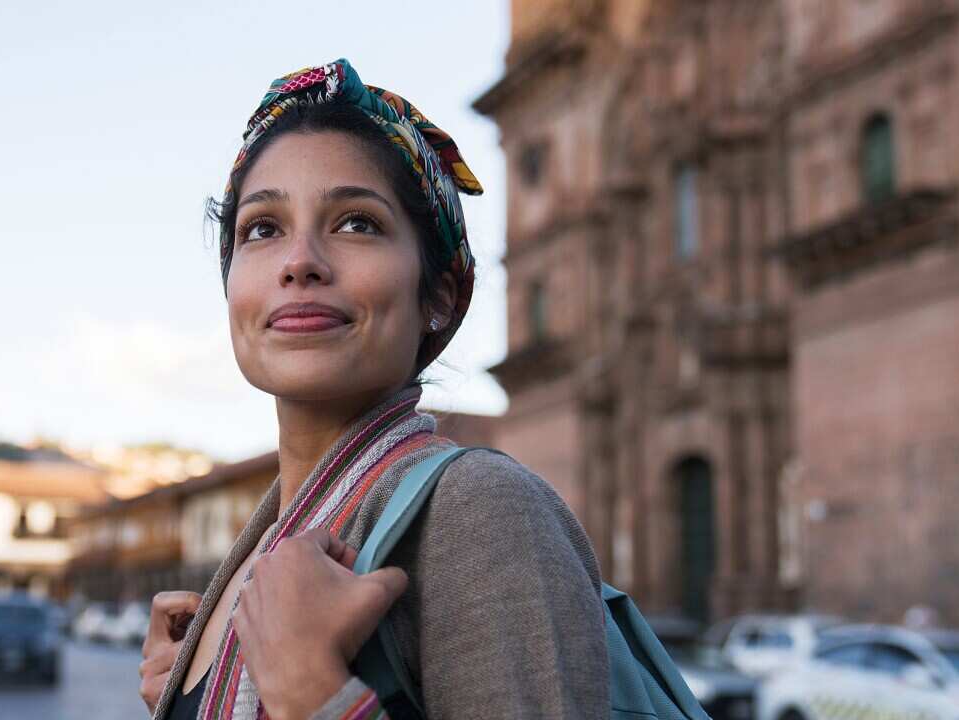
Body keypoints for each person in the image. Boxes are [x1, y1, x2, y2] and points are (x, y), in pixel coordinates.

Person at [138, 59, 609, 720]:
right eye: (262, 229)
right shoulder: (248, 573)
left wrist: (312, 692)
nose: (300, 261)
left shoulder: (481, 515)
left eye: (356, 222)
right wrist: (193, 690)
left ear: (438, 296)